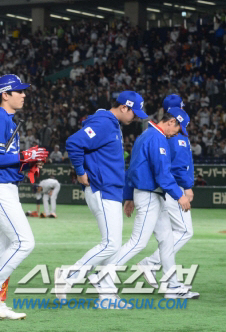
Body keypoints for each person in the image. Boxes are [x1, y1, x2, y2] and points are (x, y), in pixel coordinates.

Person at [90, 107, 199, 302]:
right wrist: (178, 195)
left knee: (167, 241)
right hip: (149, 195)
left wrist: (129, 195)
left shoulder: (146, 135)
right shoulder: (156, 138)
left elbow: (133, 168)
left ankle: (172, 286)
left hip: (150, 195)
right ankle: (103, 276)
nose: (178, 133)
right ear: (171, 121)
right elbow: (162, 173)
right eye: (178, 128)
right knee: (137, 242)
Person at [56, 91, 147, 301]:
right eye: (134, 112)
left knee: (112, 244)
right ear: (124, 107)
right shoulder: (105, 122)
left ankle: (107, 294)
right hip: (102, 188)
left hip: (110, 189)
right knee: (111, 244)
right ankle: (69, 276)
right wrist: (80, 172)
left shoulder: (111, 123)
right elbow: (73, 142)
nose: (135, 117)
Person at [0, 74, 47, 320]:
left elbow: (2, 161)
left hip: (4, 186)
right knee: (24, 242)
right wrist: (24, 156)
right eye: (18, 91)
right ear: (5, 95)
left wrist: (27, 165)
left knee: (4, 247)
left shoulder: (5, 119)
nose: (24, 94)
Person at [138, 95, 197, 287]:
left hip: (166, 187)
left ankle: (168, 279)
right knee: (184, 231)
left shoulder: (164, 132)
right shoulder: (174, 134)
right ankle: (151, 264)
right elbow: (178, 166)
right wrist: (186, 188)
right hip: (173, 187)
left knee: (170, 234)